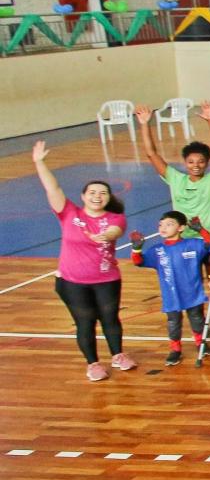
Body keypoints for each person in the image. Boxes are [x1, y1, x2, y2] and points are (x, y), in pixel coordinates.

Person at [33, 139, 133, 380]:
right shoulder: (69, 213)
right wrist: (39, 163)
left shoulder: (115, 218)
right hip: (72, 281)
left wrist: (104, 235)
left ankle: (118, 355)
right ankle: (93, 364)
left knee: (110, 317)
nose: (97, 196)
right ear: (83, 196)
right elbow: (53, 189)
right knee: (85, 321)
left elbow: (115, 232)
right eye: (92, 193)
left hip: (106, 279)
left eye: (103, 193)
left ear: (109, 197)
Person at [130, 211, 210, 367]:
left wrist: (201, 230)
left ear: (181, 228)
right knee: (173, 322)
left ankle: (201, 343)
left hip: (192, 292)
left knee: (197, 319)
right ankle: (175, 349)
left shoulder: (193, 244)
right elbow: (139, 262)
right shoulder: (157, 250)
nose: (163, 228)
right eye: (161, 224)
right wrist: (136, 249)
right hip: (171, 295)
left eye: (169, 224)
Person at [134, 103, 210, 232]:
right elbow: (151, 153)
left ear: (207, 163)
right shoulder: (176, 179)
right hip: (183, 239)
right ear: (185, 162)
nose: (196, 165)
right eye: (191, 162)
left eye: (201, 162)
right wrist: (144, 124)